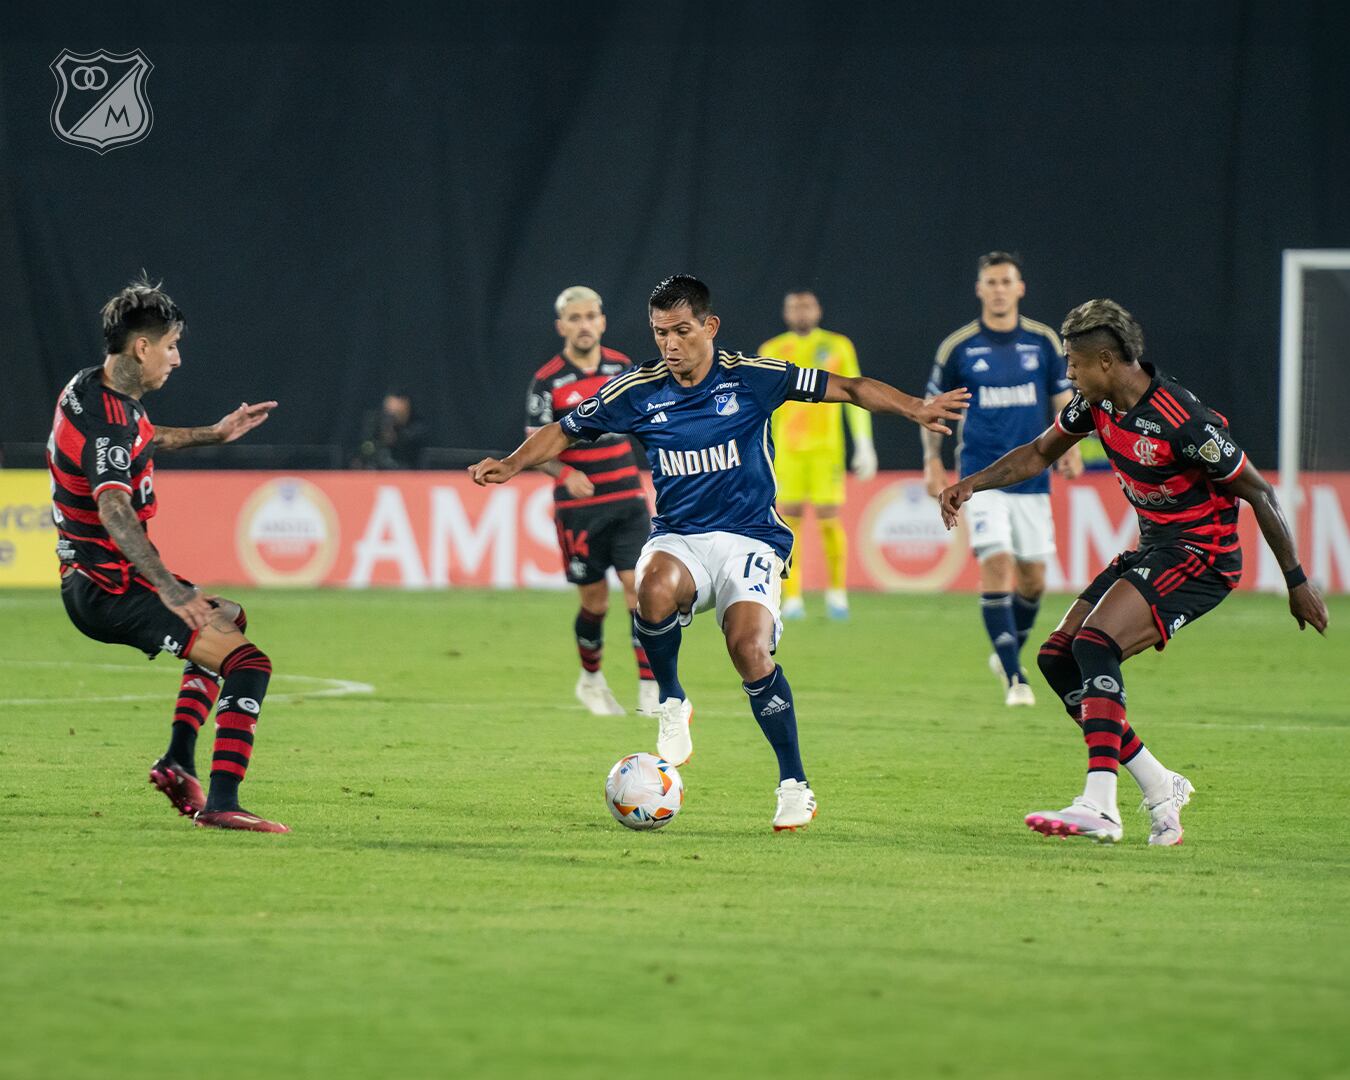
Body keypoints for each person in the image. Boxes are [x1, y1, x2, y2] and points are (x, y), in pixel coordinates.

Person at [473, 275, 968, 830]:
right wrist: (512, 464)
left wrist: (915, 408)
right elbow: (565, 430)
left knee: (750, 651)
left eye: (682, 331)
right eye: (660, 333)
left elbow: (849, 388)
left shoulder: (753, 378)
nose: (670, 344)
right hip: (680, 537)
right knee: (650, 588)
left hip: (750, 538)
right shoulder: (637, 390)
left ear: (709, 326)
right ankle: (672, 701)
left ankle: (793, 784)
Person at [939, 299, 1328, 846]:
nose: (1068, 373)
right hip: (1155, 548)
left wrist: (1296, 581)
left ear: (1105, 360)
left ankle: (1100, 803)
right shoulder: (1093, 406)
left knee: (1096, 645)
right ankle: (1158, 783)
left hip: (1201, 557)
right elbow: (1036, 453)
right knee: (1057, 658)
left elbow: (1259, 491)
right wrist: (971, 484)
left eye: (1073, 362)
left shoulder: (1183, 419)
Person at [47, 277, 287, 832]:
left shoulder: (91, 389)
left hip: (98, 579)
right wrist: (171, 589)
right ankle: (223, 803)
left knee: (228, 617)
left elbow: (140, 436)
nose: (177, 359)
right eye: (172, 345)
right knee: (249, 664)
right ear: (142, 347)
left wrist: (215, 434)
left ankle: (179, 760)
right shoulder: (106, 419)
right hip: (108, 589)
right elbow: (114, 510)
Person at [924, 252, 1084, 706]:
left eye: (1005, 281)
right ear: (980, 289)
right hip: (980, 478)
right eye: (990, 282)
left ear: (1019, 288)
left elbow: (1063, 399)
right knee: (997, 562)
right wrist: (932, 462)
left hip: (1032, 478)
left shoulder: (1043, 342)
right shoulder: (959, 347)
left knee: (1034, 578)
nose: (998, 289)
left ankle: (1005, 645)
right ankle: (1015, 676)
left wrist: (1071, 451)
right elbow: (935, 410)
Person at [526, 286, 657, 717]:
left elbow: (653, 420)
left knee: (641, 592)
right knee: (594, 602)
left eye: (591, 316)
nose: (584, 325)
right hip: (578, 510)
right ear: (561, 326)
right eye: (575, 318)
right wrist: (565, 473)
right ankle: (591, 680)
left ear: (602, 321)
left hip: (628, 498)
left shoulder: (623, 368)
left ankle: (649, 689)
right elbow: (533, 446)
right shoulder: (547, 381)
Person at [758, 289, 876, 621]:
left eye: (806, 306)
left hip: (827, 450)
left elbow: (857, 395)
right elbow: (763, 406)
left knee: (828, 518)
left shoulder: (839, 346)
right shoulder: (772, 350)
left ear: (818, 309)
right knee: (788, 521)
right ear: (786, 313)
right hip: (788, 451)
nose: (801, 312)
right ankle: (792, 595)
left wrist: (864, 442)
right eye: (794, 307)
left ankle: (837, 593)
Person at [353, 389, 427, 469]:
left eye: (398, 411)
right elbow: (365, 447)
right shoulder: (373, 422)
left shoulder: (416, 427)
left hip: (406, 470)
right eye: (389, 410)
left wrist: (397, 435)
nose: (392, 414)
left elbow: (413, 450)